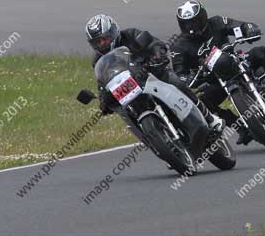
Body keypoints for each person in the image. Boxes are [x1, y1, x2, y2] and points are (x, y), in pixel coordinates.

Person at [171, 0, 265, 145]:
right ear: (181, 24)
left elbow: (240, 25)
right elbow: (179, 74)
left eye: (195, 21)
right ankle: (241, 127)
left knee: (264, 53)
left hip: (235, 61)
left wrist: (249, 29)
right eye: (187, 23)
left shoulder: (217, 22)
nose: (192, 26)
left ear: (204, 17)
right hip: (214, 79)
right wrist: (188, 78)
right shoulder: (178, 47)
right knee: (203, 100)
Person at [85, 14, 223, 155]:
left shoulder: (131, 35)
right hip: (130, 89)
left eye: (105, 39)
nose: (102, 44)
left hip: (151, 73)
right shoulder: (98, 61)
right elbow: (103, 82)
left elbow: (154, 43)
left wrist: (157, 55)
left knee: (175, 82)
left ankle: (210, 118)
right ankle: (161, 147)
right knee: (126, 112)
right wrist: (103, 99)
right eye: (97, 42)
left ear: (113, 32)